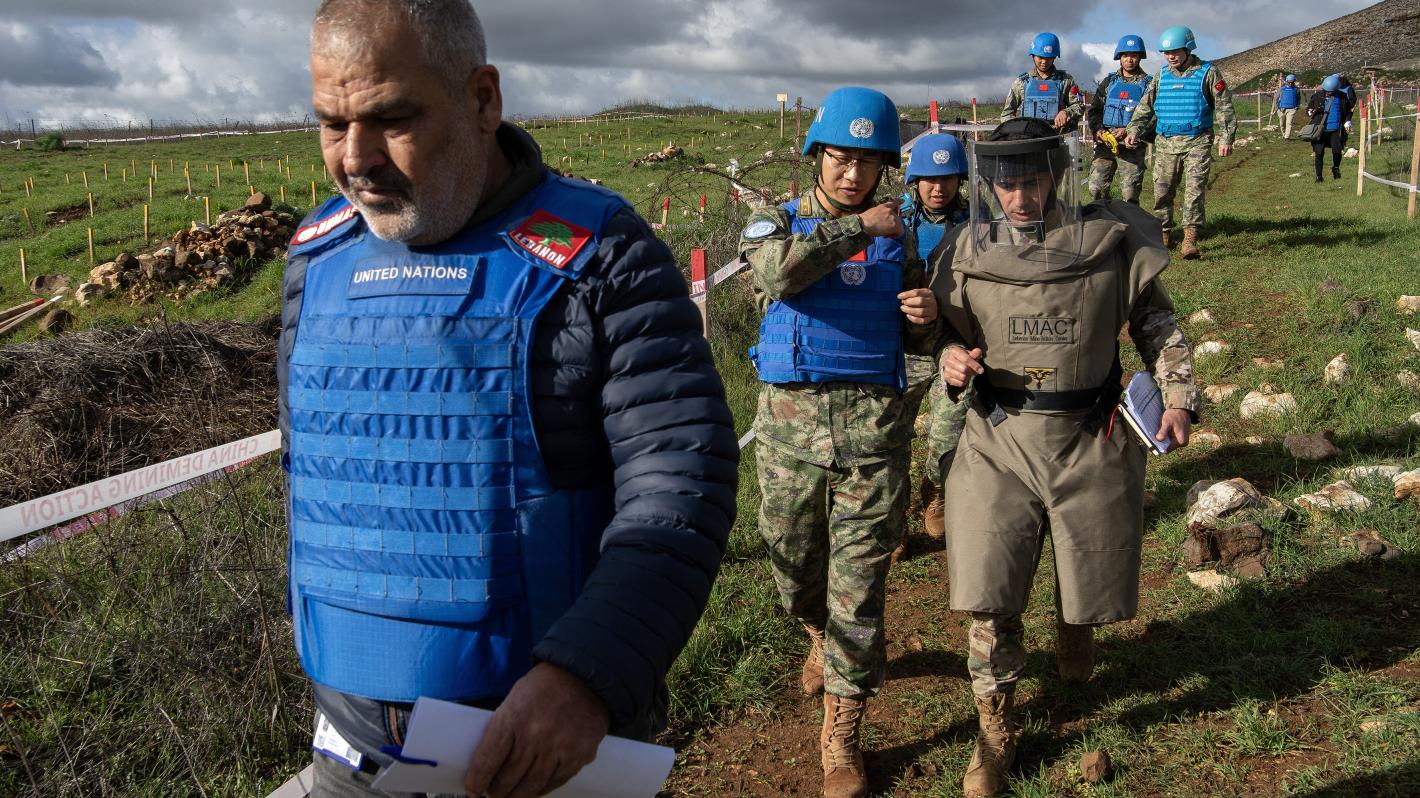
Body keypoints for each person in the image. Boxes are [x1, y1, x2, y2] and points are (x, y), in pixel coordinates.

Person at [281, 2, 739, 796]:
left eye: (392, 118)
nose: (356, 159)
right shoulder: (314, 260)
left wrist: (585, 677)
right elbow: (311, 476)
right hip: (349, 756)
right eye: (331, 124)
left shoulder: (602, 257)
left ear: (483, 100)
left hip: (542, 754)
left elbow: (679, 486)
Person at [929, 117, 1199, 797]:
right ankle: (994, 734)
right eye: (1008, 184)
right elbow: (937, 335)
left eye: (1034, 182)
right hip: (999, 437)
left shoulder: (1110, 240)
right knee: (990, 591)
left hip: (1090, 432)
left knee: (1088, 561)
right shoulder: (964, 249)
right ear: (990, 185)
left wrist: (1177, 396)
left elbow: (1157, 323)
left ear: (1057, 177)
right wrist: (949, 357)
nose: (1021, 198)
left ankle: (1076, 625)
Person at [740, 86, 939, 798]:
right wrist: (858, 229)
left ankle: (843, 733)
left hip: (874, 440)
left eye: (868, 162)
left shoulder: (901, 238)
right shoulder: (774, 223)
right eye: (841, 159)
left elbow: (920, 337)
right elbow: (780, 273)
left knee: (859, 587)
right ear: (816, 157)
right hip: (789, 442)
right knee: (794, 566)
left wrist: (924, 316)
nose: (853, 174)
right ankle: (816, 635)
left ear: (884, 167)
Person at [899, 133, 970, 541]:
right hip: (902, 345)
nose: (938, 187)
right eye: (929, 178)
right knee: (890, 437)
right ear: (915, 180)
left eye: (946, 178)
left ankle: (935, 489)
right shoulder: (895, 220)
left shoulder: (977, 223)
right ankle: (893, 519)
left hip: (952, 341)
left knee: (948, 431)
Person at [1124, 24, 1236, 260]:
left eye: (1175, 51)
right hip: (1166, 143)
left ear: (1188, 49)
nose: (1170, 57)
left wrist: (1226, 137)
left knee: (1194, 190)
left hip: (1197, 140)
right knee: (1162, 192)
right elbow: (1145, 107)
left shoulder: (1208, 72)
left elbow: (1224, 106)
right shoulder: (1161, 76)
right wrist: (1134, 130)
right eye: (1166, 53)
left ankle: (1189, 239)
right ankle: (1164, 234)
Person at [1086, 35, 1153, 204]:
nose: (1129, 59)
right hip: (1106, 143)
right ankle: (1104, 216)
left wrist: (1129, 131)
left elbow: (1153, 116)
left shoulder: (1149, 84)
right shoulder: (1109, 82)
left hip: (1132, 146)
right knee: (1096, 189)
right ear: (1119, 57)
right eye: (1125, 55)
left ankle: (1129, 220)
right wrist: (1098, 131)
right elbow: (1095, 111)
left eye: (1134, 55)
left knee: (1130, 194)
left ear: (1140, 57)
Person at [1000, 32, 1086, 132]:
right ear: (1033, 56)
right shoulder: (1021, 83)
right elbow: (1006, 114)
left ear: (1054, 57)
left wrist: (1066, 112)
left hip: (1057, 137)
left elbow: (1079, 106)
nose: (1044, 62)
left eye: (1048, 58)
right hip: (1028, 137)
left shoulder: (1066, 81)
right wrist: (1018, 129)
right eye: (1040, 57)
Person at [1306, 74, 1356, 182]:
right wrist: (1310, 112)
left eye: (1331, 91)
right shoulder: (1317, 96)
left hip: (1336, 129)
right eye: (1327, 91)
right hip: (1320, 129)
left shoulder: (1342, 96)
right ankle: (1319, 176)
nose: (1329, 93)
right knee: (1319, 153)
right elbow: (1309, 108)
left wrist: (1347, 120)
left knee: (1337, 151)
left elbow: (1349, 110)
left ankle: (1336, 168)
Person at [1276, 74, 1301, 139]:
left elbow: (1298, 98)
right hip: (1281, 109)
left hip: (1292, 109)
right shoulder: (1281, 89)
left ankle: (1286, 137)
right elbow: (1276, 98)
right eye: (1289, 82)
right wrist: (1277, 108)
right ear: (1286, 81)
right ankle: (1284, 135)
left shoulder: (1296, 89)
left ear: (1294, 81)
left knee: (1289, 123)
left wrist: (1297, 106)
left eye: (1292, 82)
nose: (1290, 83)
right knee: (1282, 124)